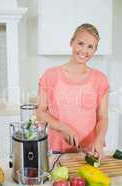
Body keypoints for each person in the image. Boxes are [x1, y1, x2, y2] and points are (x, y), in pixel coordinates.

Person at [36, 23, 109, 158]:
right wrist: (63, 128)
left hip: (89, 151)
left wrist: (99, 139)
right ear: (71, 42)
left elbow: (103, 117)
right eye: (80, 43)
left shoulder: (100, 79)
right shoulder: (50, 75)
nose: (84, 50)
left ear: (95, 50)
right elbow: (40, 113)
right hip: (57, 151)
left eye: (90, 46)